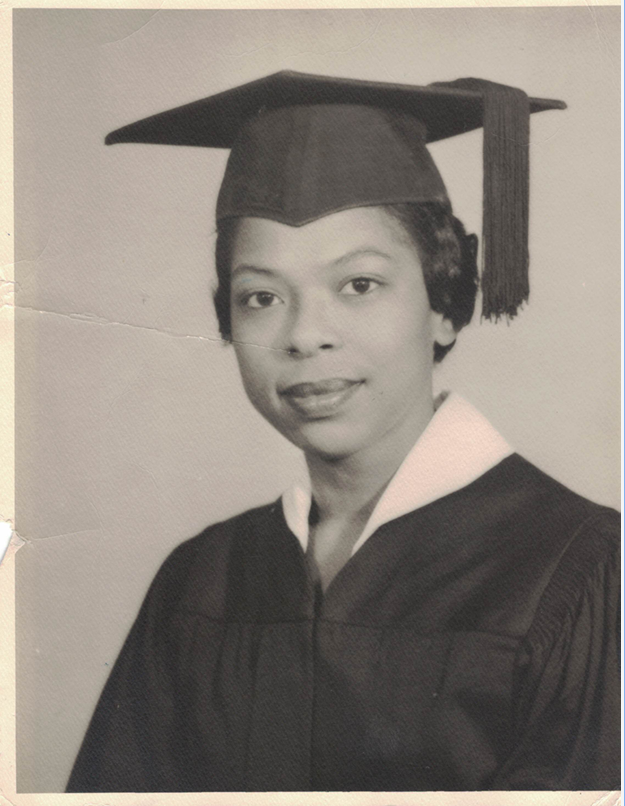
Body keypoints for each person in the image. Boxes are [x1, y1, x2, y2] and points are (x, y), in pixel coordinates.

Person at [66, 72, 620, 792]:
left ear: (446, 301)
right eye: (261, 297)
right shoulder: (201, 581)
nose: (304, 335)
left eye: (358, 285)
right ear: (226, 320)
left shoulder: (581, 573)